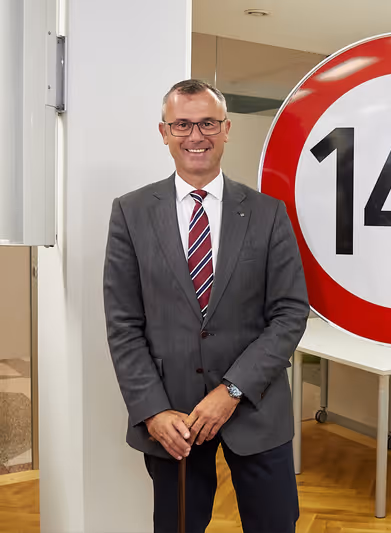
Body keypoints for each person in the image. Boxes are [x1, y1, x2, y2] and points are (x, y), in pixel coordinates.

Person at [103, 79, 309, 533]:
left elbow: (290, 313)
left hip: (257, 408)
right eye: (182, 124)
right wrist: (153, 411)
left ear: (226, 129)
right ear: (164, 132)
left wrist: (232, 390)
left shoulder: (268, 213)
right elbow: (123, 324)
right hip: (173, 417)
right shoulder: (131, 213)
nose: (196, 136)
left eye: (208, 124)